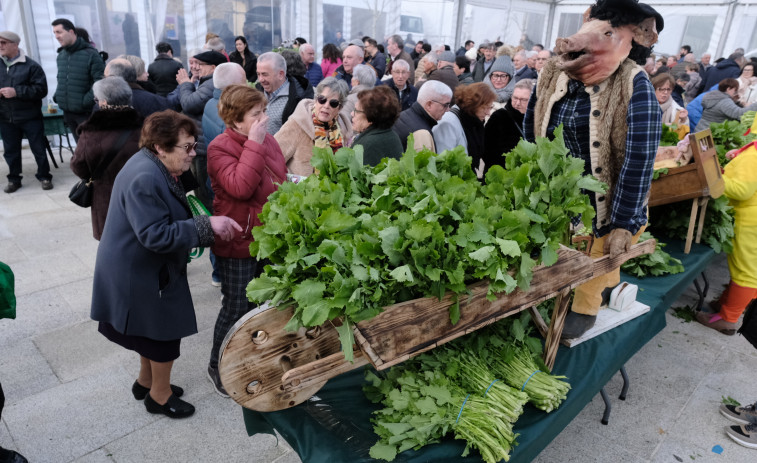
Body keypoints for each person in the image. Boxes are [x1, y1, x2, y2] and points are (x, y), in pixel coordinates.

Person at [524, 0, 664, 338]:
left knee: (595, 260)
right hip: (560, 193)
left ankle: (587, 305)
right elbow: (532, 122)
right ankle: (556, 290)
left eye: (607, 33)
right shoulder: (553, 72)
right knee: (559, 251)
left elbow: (639, 160)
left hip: (606, 201)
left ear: (635, 40)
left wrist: (623, 223)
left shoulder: (635, 86)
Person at [90, 110, 241, 419]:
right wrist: (207, 226)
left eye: (193, 144)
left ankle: (146, 382)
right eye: (186, 147)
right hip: (139, 270)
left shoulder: (150, 163)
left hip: (136, 265)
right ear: (160, 146)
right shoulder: (145, 176)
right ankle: (159, 396)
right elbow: (155, 235)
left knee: (147, 330)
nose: (193, 153)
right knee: (162, 335)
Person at [206, 85, 287, 397]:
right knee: (237, 305)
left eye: (264, 111)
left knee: (264, 304)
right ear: (236, 120)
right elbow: (239, 187)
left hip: (268, 238)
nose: (264, 119)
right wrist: (254, 144)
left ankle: (250, 360)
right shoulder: (219, 148)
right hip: (238, 240)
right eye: (256, 114)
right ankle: (217, 365)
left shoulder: (267, 139)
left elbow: (276, 178)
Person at [70, 77, 142, 240]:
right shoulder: (146, 127)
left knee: (112, 241)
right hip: (141, 194)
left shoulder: (90, 132)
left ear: (103, 102)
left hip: (106, 197)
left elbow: (78, 166)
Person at [171, 49, 226, 210]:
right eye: (194, 64)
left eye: (201, 64)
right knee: (198, 186)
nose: (197, 67)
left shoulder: (210, 84)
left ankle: (208, 223)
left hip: (201, 149)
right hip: (197, 144)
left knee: (203, 189)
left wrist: (186, 84)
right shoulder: (205, 81)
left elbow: (189, 103)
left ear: (214, 68)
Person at [0, 30, 52, 193]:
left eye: (3, 42)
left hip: (30, 117)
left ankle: (44, 176)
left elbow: (41, 90)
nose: (0, 46)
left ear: (15, 45)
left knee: (38, 148)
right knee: (11, 151)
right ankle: (14, 179)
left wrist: (17, 92)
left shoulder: (31, 66)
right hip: (5, 117)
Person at [274, 77, 352, 175]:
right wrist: (291, 179)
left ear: (339, 108)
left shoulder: (343, 130)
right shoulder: (297, 124)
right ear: (316, 100)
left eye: (333, 103)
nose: (326, 106)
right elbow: (272, 159)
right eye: (322, 99)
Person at [51, 18, 105, 141]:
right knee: (80, 149)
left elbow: (100, 82)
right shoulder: (62, 56)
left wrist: (84, 102)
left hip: (85, 113)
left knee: (91, 148)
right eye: (54, 33)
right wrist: (58, 96)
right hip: (68, 112)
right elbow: (62, 79)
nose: (56, 36)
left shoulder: (91, 54)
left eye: (59, 32)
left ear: (71, 32)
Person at [433, 82, 496, 176]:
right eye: (485, 108)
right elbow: (444, 165)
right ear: (474, 105)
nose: (488, 113)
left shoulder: (473, 122)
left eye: (490, 107)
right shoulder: (448, 123)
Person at [254, 51, 314, 135]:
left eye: (265, 74)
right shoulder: (256, 93)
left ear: (281, 74)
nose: (260, 79)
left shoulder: (298, 98)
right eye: (258, 74)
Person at [484, 79, 533, 173]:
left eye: (523, 100)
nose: (517, 103)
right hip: (501, 174)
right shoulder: (499, 117)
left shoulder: (538, 119)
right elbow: (486, 150)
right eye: (515, 98)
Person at [393, 80, 452, 152]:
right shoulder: (422, 134)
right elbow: (422, 163)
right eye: (445, 105)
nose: (448, 110)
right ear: (429, 104)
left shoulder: (403, 115)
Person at [351, 86, 403, 165]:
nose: (352, 114)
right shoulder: (392, 135)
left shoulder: (368, 145)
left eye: (356, 111)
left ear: (370, 118)